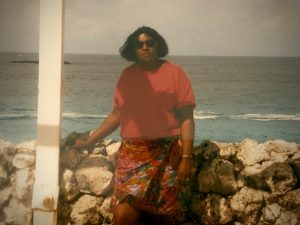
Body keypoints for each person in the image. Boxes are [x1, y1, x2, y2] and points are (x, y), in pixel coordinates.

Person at [75, 26, 196, 225]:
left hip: (166, 156)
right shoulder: (127, 75)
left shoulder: (175, 73)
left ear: (158, 45)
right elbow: (117, 115)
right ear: (133, 49)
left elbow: (187, 119)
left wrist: (186, 157)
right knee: (123, 216)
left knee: (162, 216)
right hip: (132, 157)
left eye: (150, 43)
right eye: (139, 44)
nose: (145, 47)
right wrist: (90, 139)